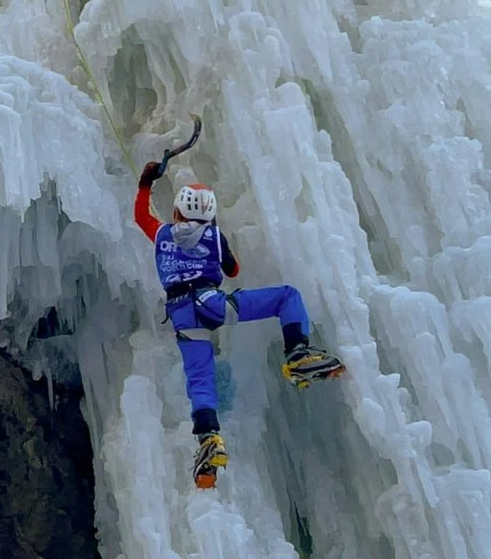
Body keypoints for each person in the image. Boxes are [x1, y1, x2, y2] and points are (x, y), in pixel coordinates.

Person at [136, 154, 345, 487]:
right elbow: (233, 270)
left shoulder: (161, 233)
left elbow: (140, 216)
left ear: (176, 211)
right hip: (213, 304)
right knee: (286, 297)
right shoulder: (214, 237)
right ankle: (298, 353)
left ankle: (209, 439)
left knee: (200, 380)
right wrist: (214, 238)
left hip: (182, 316)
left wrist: (146, 182)